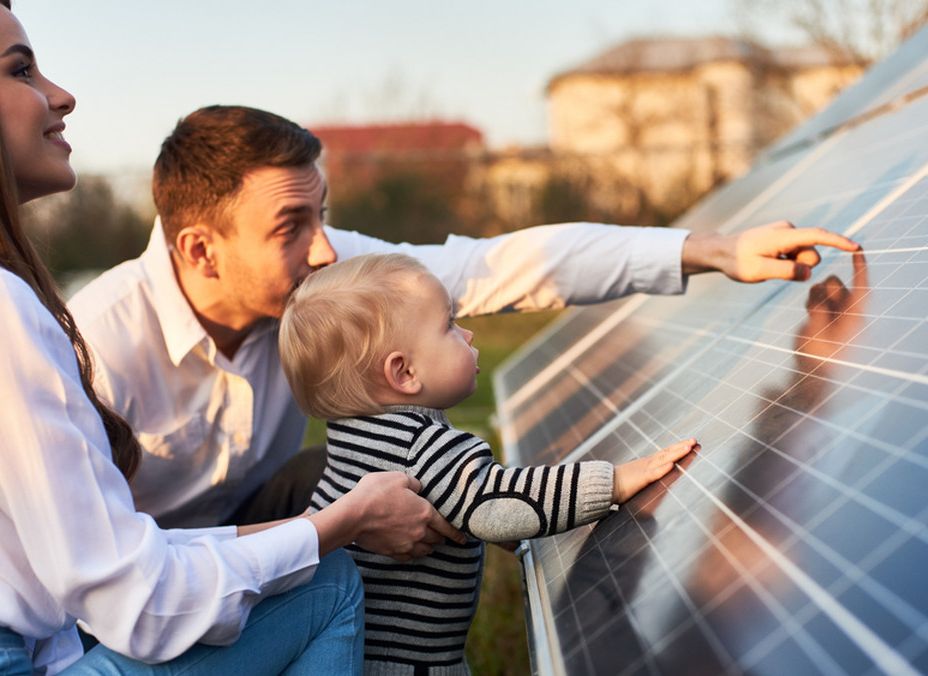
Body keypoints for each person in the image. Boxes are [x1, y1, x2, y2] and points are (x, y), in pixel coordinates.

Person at [0, 2, 457, 674]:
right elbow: (140, 606)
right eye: (21, 69)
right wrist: (337, 528)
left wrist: (324, 523)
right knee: (327, 585)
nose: (61, 95)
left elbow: (106, 569)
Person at [69, 104, 862, 530]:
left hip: (258, 527)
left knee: (386, 471)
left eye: (323, 217)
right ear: (201, 251)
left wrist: (710, 250)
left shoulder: (323, 272)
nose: (323, 254)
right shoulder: (96, 348)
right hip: (141, 588)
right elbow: (90, 567)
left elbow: (496, 266)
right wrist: (326, 535)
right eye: (290, 230)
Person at [277, 252, 701, 673]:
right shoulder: (422, 449)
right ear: (404, 373)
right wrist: (615, 482)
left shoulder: (352, 438)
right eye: (448, 325)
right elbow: (498, 501)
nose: (468, 334)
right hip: (410, 666)